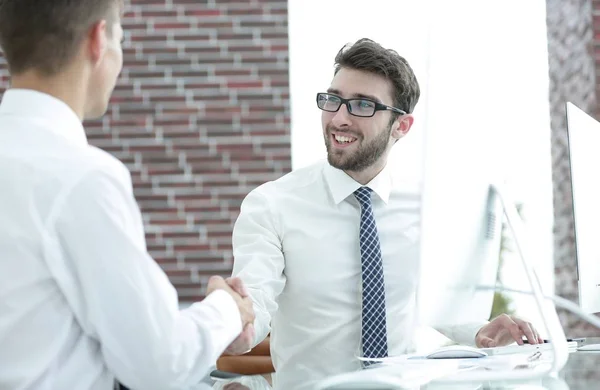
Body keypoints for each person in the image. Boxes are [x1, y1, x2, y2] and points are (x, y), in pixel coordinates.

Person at [228, 38, 543, 390]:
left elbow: (430, 299)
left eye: (362, 105)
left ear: (401, 126)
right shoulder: (272, 204)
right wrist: (232, 325)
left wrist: (478, 330)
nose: (339, 118)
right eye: (333, 100)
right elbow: (252, 299)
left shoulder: (424, 208)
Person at [0, 1, 254, 389]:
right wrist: (227, 309)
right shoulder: (81, 178)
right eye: (121, 36)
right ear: (98, 40)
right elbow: (159, 362)